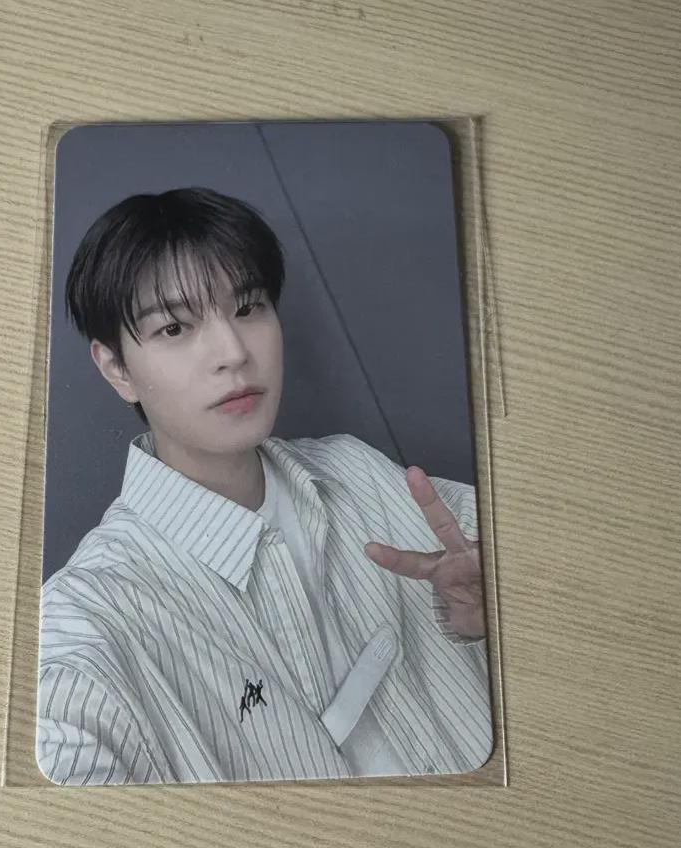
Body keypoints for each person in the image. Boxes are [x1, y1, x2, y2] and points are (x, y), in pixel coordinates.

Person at [36, 186, 492, 786]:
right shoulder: (89, 614)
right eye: (174, 327)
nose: (233, 352)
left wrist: (500, 615)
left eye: (249, 307)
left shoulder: (358, 471)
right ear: (116, 368)